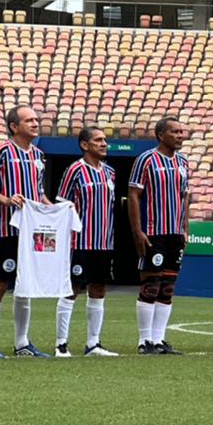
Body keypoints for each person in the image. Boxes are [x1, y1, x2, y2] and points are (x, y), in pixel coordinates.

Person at [0, 104, 51, 357]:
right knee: (0, 281)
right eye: (28, 120)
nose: (34, 123)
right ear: (13, 126)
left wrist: (56, 210)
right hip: (7, 229)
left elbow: (39, 193)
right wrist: (6, 200)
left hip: (32, 233)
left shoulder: (39, 156)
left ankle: (22, 343)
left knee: (26, 284)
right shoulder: (2, 151)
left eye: (35, 119)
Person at [128, 117, 191, 356]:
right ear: (161, 135)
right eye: (175, 131)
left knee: (168, 287)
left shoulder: (184, 162)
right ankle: (145, 340)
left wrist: (186, 228)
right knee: (151, 285)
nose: (180, 135)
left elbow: (185, 196)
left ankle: (159, 339)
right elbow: (133, 195)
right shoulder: (146, 160)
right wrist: (137, 231)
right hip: (154, 232)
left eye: (182, 131)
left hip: (175, 233)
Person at [54, 126, 119, 357]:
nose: (104, 144)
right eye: (98, 140)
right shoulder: (75, 170)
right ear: (84, 145)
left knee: (99, 289)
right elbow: (62, 206)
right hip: (79, 242)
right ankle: (61, 344)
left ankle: (93, 343)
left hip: (104, 242)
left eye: (105, 140)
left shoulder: (109, 173)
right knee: (72, 288)